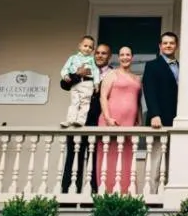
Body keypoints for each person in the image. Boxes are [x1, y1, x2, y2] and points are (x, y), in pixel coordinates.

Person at [61, 43, 111, 194]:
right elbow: (64, 84)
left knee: (95, 161)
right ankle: (68, 197)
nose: (100, 56)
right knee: (73, 158)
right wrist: (78, 74)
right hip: (77, 121)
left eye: (104, 53)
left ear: (109, 56)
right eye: (98, 53)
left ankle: (92, 198)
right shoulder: (81, 66)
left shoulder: (112, 74)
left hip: (97, 123)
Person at [97, 46, 142, 194]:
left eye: (128, 54)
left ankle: (125, 191)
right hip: (112, 121)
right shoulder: (112, 74)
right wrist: (108, 118)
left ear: (132, 57)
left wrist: (139, 121)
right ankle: (107, 191)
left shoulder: (137, 78)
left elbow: (138, 101)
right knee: (109, 156)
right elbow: (103, 96)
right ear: (118, 57)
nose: (125, 57)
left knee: (126, 157)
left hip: (129, 124)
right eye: (122, 55)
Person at [141, 31, 180, 188]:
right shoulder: (152, 65)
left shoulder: (181, 66)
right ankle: (150, 194)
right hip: (158, 119)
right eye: (165, 43)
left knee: (173, 159)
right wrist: (155, 114)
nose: (168, 45)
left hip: (176, 120)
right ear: (160, 46)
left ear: (176, 45)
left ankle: (167, 191)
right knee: (156, 158)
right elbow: (149, 91)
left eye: (171, 43)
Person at [60, 35, 101, 127]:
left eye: (90, 47)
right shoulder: (72, 58)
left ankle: (81, 121)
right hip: (75, 83)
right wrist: (65, 75)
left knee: (85, 103)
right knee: (74, 102)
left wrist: (96, 83)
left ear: (92, 49)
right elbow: (65, 68)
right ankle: (70, 120)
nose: (87, 49)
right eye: (85, 46)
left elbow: (95, 71)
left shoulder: (91, 60)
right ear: (80, 46)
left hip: (87, 83)